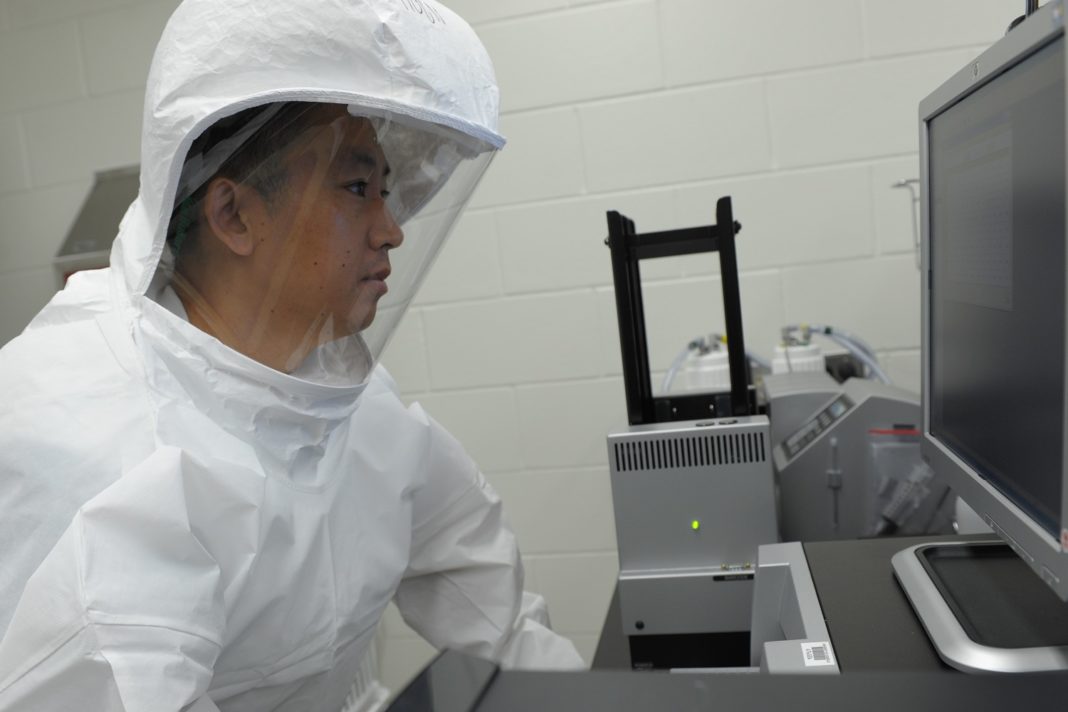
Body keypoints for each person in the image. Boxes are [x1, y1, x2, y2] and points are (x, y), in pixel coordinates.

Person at [0, 1, 584, 710]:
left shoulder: (336, 396)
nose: (392, 230)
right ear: (233, 215)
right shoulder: (110, 448)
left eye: (387, 191)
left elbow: (496, 608)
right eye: (357, 187)